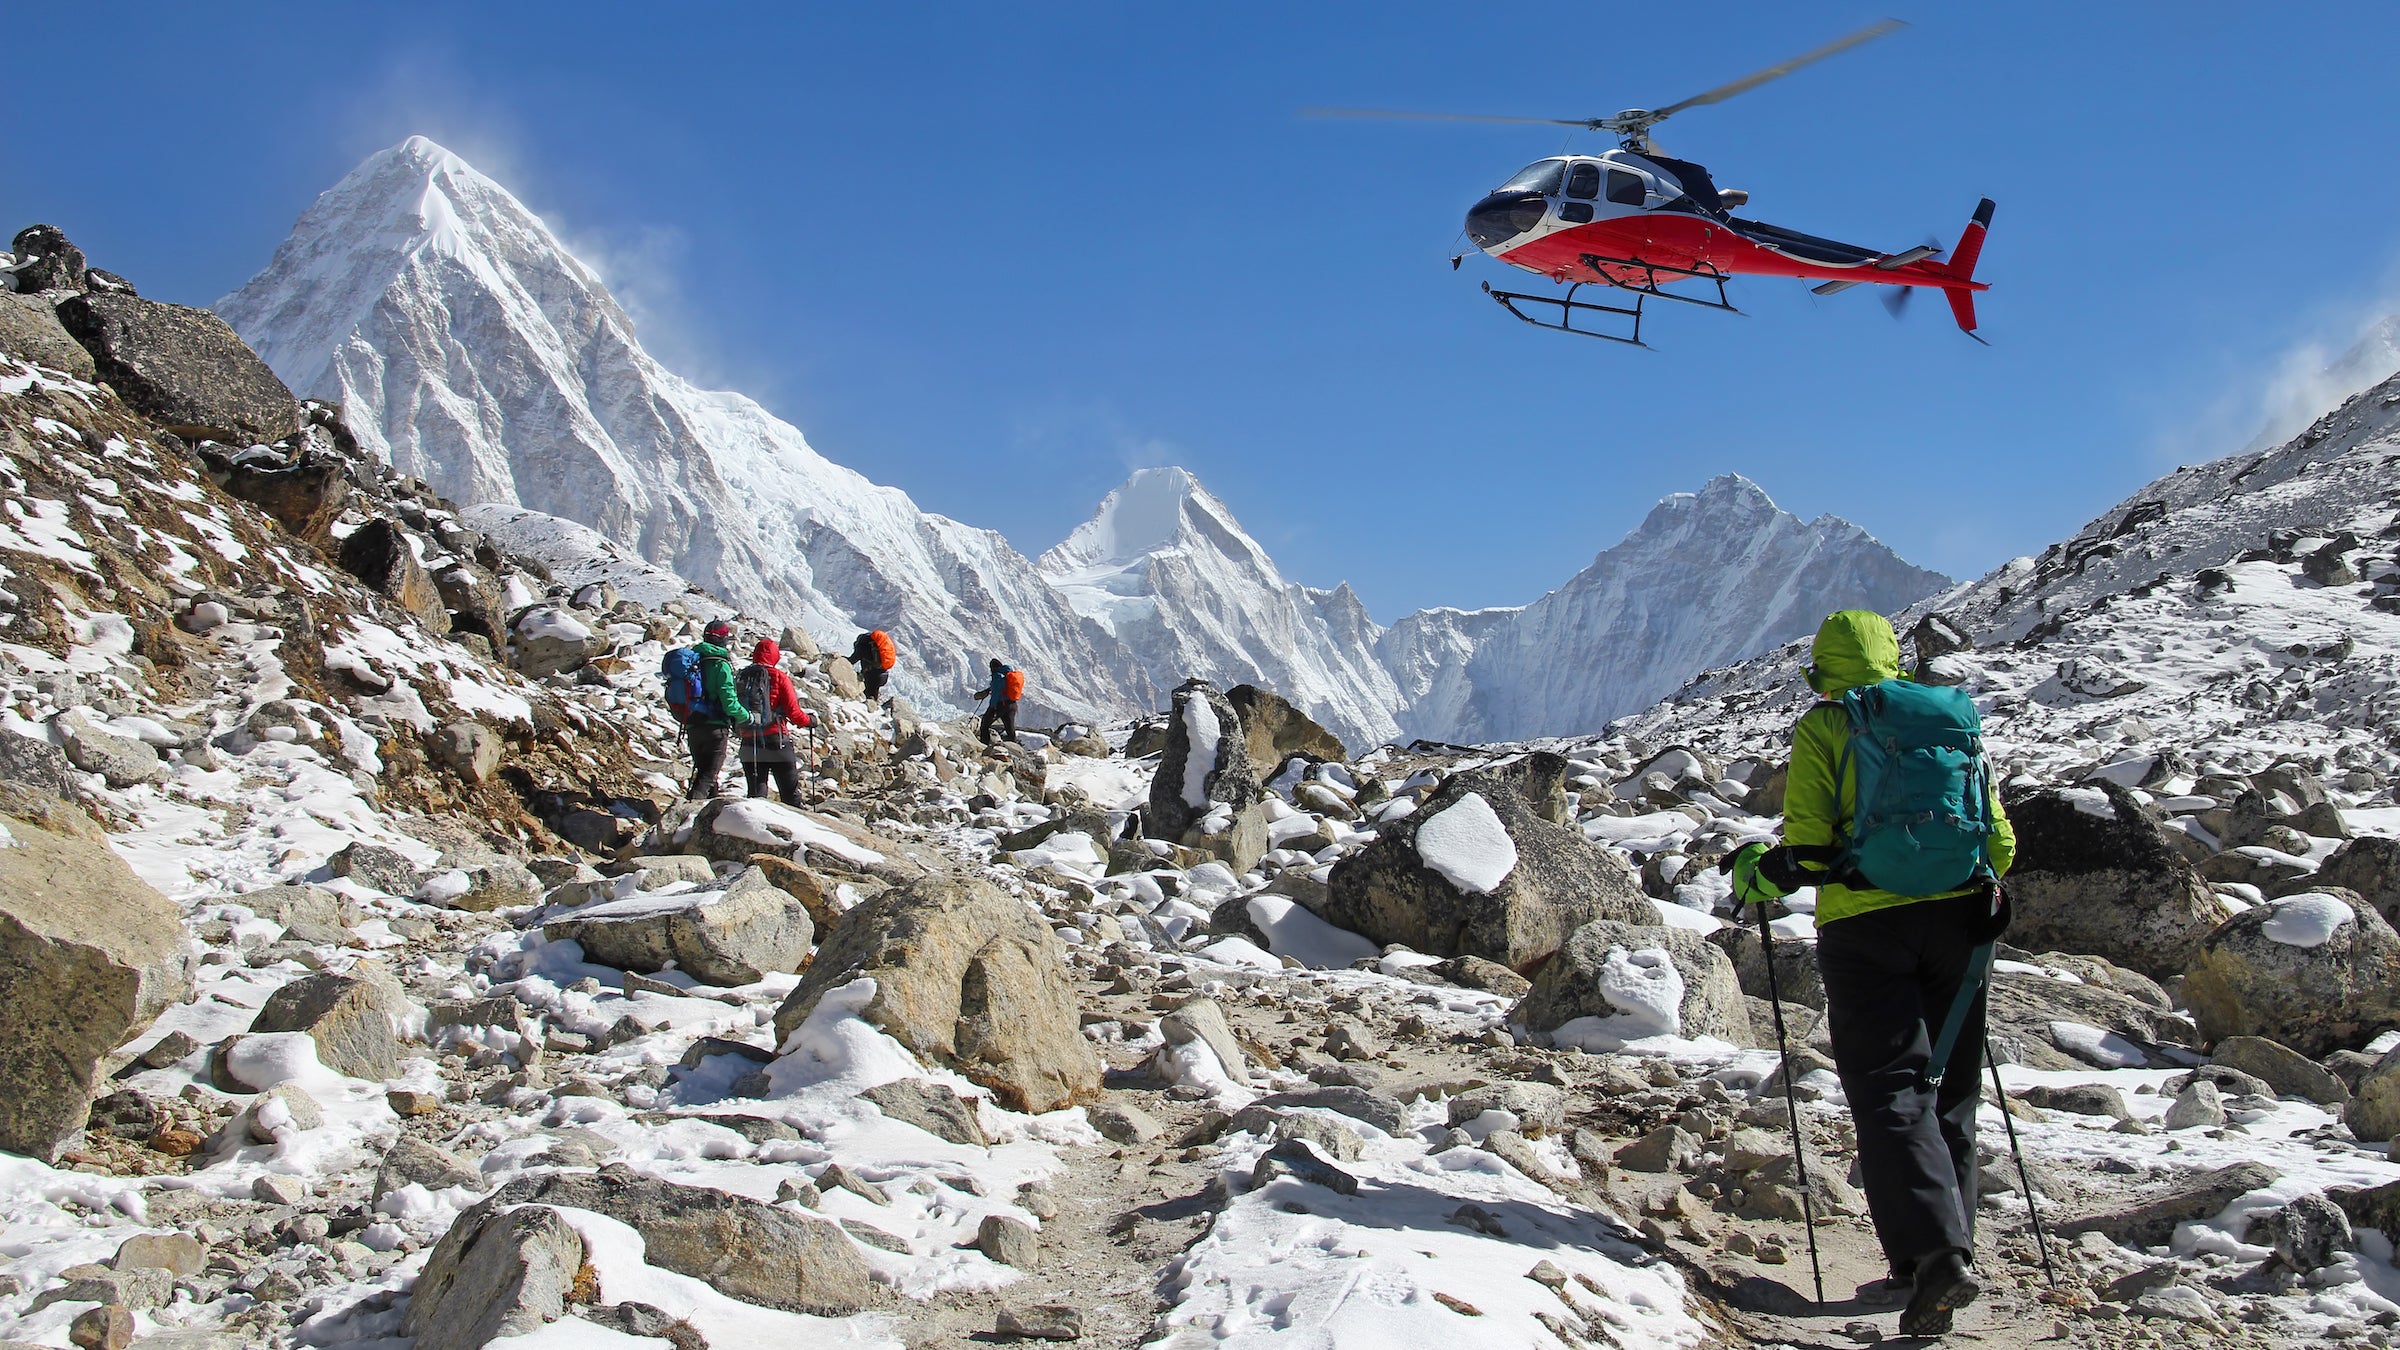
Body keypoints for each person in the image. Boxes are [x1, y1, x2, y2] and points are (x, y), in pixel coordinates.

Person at [1726, 610, 2016, 1337]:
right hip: (1962, 921)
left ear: (1822, 670)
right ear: (1895, 658)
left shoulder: (1827, 726)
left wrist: (1762, 870)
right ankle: (1940, 1257)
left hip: (1866, 927)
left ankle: (1933, 1257)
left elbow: (1811, 850)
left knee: (1891, 1088)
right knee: (1952, 1088)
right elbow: (2001, 842)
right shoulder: (1950, 718)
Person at [734, 638, 813, 805]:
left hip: (749, 742)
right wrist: (810, 721)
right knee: (790, 796)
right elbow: (794, 713)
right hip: (777, 742)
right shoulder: (779, 677)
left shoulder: (743, 677)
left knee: (756, 796)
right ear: (775, 656)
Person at [685, 619, 752, 800]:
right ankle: (688, 810)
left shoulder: (694, 660)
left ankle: (710, 809)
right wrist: (746, 717)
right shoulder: (720, 664)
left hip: (692, 724)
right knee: (708, 775)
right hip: (715, 727)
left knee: (705, 772)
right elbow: (729, 701)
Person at [976, 657, 1019, 746]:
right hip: (1012, 704)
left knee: (985, 724)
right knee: (1009, 727)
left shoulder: (997, 675)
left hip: (1001, 705)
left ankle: (984, 745)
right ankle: (1014, 747)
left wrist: (992, 707)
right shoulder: (1007, 675)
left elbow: (996, 693)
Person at [851, 630, 893, 704]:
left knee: (868, 698)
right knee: (873, 696)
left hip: (872, 677)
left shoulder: (862, 647)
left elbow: (851, 660)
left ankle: (870, 707)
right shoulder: (874, 646)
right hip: (883, 675)